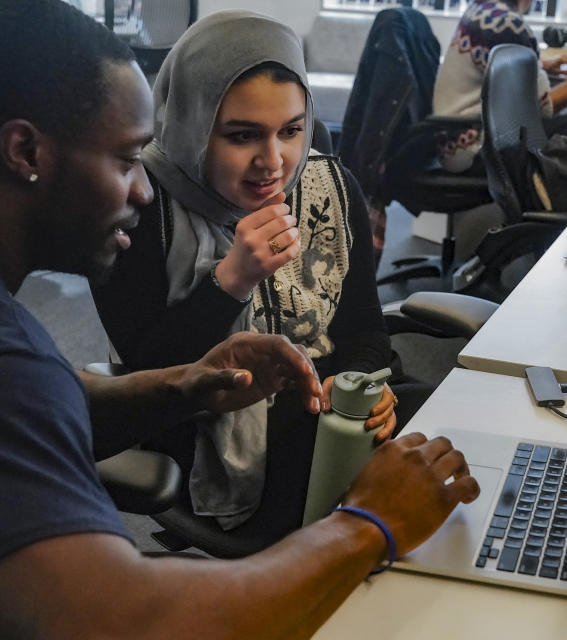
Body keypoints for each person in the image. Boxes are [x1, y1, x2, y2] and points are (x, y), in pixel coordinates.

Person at [0, 2, 480, 639]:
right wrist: (370, 525)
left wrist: (182, 385)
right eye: (128, 159)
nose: (142, 190)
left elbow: (41, 402)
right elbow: (123, 622)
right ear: (25, 152)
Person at [91, 10, 432, 546]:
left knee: (437, 424)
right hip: (212, 430)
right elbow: (150, 377)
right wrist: (231, 280)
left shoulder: (330, 185)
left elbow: (365, 330)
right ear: (193, 123)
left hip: (328, 407)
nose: (274, 162)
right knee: (384, 509)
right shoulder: (140, 206)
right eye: (242, 135)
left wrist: (366, 385)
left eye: (292, 131)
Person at [433, 0, 567, 172]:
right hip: (473, 146)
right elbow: (543, 110)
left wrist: (541, 65)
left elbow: (492, 63)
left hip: (453, 141)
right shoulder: (509, 24)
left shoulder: (482, 10)